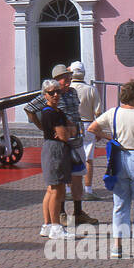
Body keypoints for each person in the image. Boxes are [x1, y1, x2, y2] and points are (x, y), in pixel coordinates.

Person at [88, 79, 134, 261]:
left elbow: (92, 127)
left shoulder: (113, 112)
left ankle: (117, 246)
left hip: (119, 157)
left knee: (120, 202)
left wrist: (108, 137)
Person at [26, 64, 96, 226]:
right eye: (65, 78)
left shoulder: (72, 92)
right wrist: (43, 127)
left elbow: (75, 113)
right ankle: (61, 213)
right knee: (61, 180)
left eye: (69, 77)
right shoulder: (49, 95)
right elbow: (29, 108)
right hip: (62, 144)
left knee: (78, 177)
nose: (68, 80)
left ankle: (78, 212)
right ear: (57, 80)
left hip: (76, 140)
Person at [36, 79, 76, 240]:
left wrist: (68, 130)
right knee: (57, 190)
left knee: (51, 189)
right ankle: (56, 227)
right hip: (56, 150)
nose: (55, 95)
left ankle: (47, 225)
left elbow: (71, 127)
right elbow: (66, 135)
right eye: (51, 92)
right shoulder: (52, 113)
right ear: (45, 95)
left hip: (52, 148)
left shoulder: (56, 112)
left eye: (57, 92)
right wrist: (68, 131)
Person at [69, 61, 102, 197]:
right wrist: (99, 130)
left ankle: (68, 190)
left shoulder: (67, 88)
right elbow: (98, 112)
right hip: (88, 124)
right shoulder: (91, 89)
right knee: (88, 158)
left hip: (71, 124)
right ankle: (88, 189)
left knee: (70, 157)